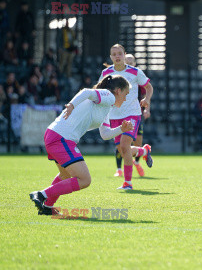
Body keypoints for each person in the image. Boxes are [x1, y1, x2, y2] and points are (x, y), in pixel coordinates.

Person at [29, 75, 132, 215]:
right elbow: (86, 92)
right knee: (84, 180)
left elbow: (105, 134)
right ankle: (41, 195)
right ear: (118, 91)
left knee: (65, 174)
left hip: (55, 134)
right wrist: (71, 105)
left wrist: (122, 129)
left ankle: (46, 207)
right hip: (61, 138)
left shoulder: (107, 105)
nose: (125, 99)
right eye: (126, 94)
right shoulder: (109, 96)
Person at [99, 44, 154, 190]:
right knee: (123, 150)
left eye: (119, 54)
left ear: (124, 55)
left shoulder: (135, 72)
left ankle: (127, 183)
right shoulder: (106, 72)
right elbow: (99, 90)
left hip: (132, 114)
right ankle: (144, 151)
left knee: (124, 146)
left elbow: (149, 87)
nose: (117, 56)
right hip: (113, 115)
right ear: (111, 57)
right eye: (114, 54)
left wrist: (147, 100)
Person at [113, 53, 151, 177]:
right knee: (122, 147)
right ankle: (142, 153)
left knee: (132, 142)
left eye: (131, 61)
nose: (128, 63)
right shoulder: (116, 75)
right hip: (117, 114)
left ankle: (130, 171)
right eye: (127, 61)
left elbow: (147, 92)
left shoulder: (137, 76)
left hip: (134, 113)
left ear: (134, 64)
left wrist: (147, 109)